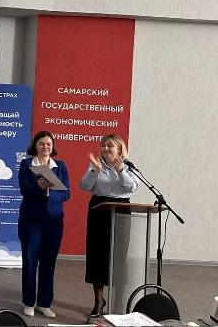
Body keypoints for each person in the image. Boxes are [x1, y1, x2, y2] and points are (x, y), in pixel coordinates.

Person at [79, 133, 139, 318]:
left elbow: (132, 188)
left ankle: (118, 302)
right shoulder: (96, 164)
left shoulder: (128, 166)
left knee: (119, 257)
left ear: (119, 149)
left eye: (110, 145)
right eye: (103, 145)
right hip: (99, 210)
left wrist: (120, 171)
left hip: (121, 210)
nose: (105, 148)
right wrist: (95, 171)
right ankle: (98, 301)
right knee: (97, 256)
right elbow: (84, 186)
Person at [17, 131, 70, 319]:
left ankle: (44, 304)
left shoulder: (60, 166)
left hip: (53, 222)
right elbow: (24, 190)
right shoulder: (26, 164)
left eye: (48, 144)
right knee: (30, 262)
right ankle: (29, 302)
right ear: (35, 146)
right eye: (41, 143)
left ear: (52, 146)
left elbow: (66, 194)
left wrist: (49, 192)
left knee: (49, 263)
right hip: (31, 220)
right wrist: (38, 188)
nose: (45, 146)